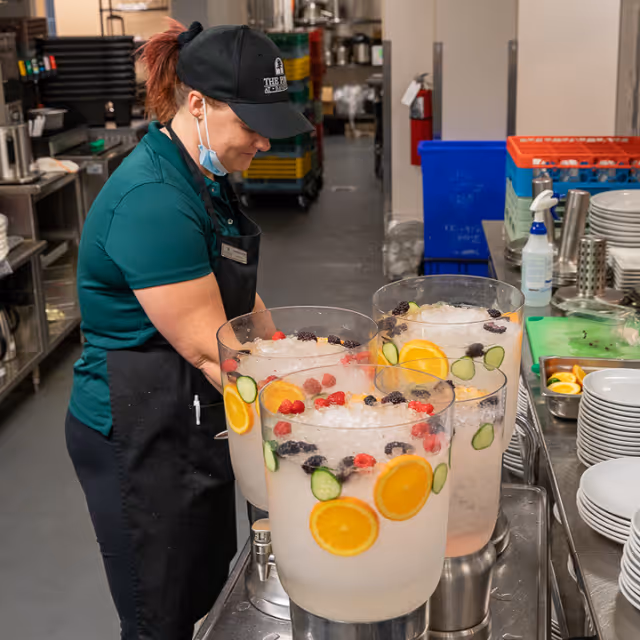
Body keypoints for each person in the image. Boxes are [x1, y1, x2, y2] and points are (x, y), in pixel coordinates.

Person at [65, 20, 313, 640]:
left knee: (204, 592)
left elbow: (239, 297)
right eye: (250, 124)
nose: (261, 142)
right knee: (161, 616)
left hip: (190, 418)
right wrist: (312, 408)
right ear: (198, 104)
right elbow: (213, 348)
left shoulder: (202, 180)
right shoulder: (152, 198)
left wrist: (292, 356)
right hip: (138, 434)